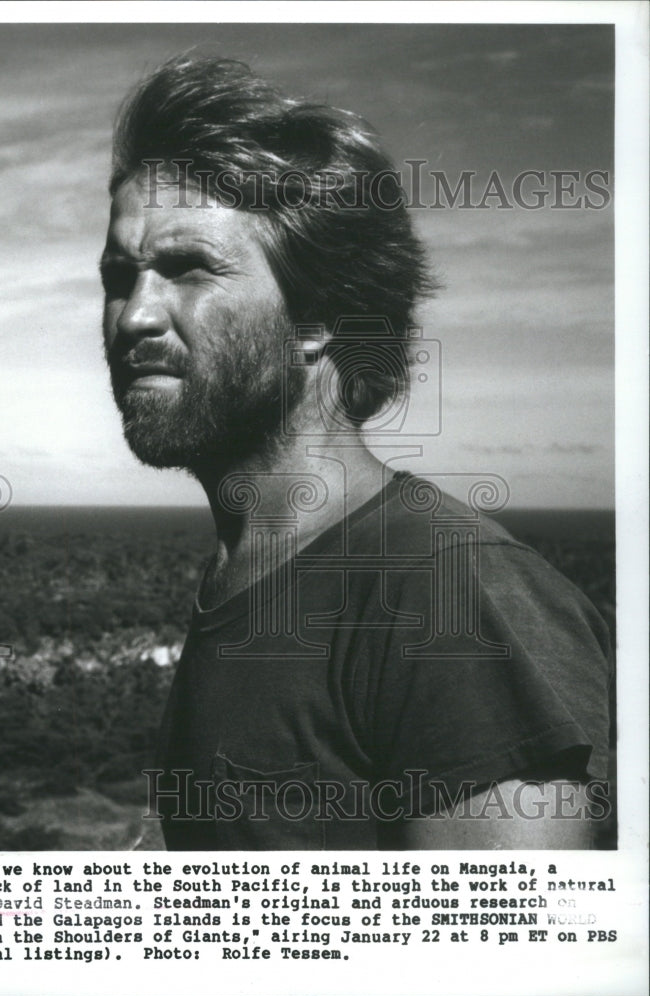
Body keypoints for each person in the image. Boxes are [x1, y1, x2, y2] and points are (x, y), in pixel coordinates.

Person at [100, 55, 612, 850]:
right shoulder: (244, 570)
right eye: (118, 275)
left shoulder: (450, 593)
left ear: (319, 318)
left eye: (187, 269)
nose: (134, 316)